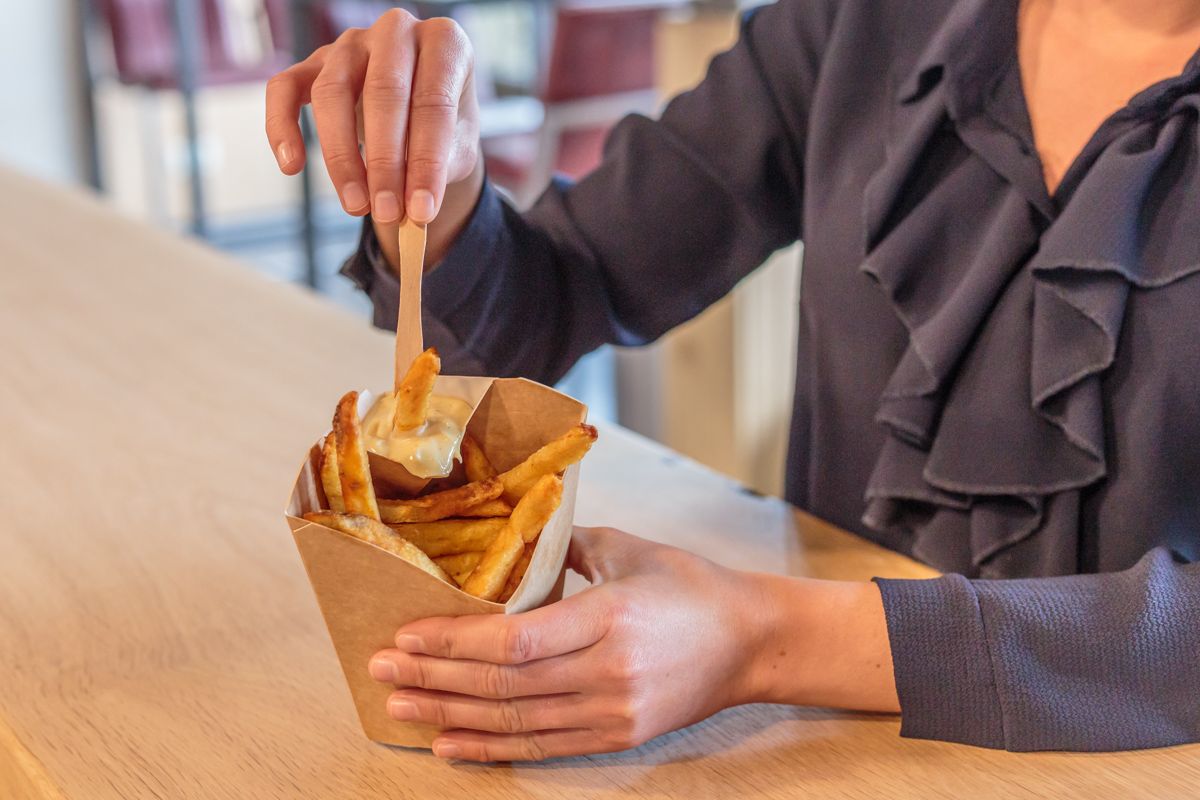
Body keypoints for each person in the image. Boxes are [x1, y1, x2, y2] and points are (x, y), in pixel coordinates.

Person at [266, 0, 1200, 761]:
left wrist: (762, 638)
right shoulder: (860, 24)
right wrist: (443, 182)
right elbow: (557, 296)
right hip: (829, 756)